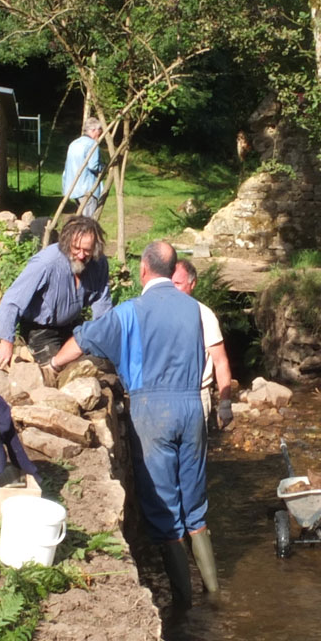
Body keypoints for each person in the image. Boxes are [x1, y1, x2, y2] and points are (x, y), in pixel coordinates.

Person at [48, 241, 217, 603]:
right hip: (192, 409)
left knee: (166, 511)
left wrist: (52, 366)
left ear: (143, 269)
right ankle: (215, 595)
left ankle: (185, 604)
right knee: (195, 506)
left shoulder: (131, 311)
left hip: (152, 410)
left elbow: (84, 339)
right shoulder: (193, 309)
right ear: (174, 272)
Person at [0, 216, 110, 369]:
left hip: (72, 326)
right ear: (66, 243)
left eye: (87, 251)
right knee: (63, 368)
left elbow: (102, 304)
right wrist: (6, 342)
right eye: (76, 248)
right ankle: (26, 353)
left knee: (102, 361)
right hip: (40, 330)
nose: (81, 255)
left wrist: (104, 339)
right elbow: (13, 300)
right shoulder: (46, 263)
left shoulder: (98, 264)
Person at [174, 259, 235, 428]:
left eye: (178, 283)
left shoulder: (205, 316)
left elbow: (221, 362)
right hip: (165, 395)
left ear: (193, 284)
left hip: (197, 395)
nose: (173, 289)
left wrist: (225, 404)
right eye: (170, 283)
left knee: (193, 454)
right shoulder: (156, 311)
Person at [62, 117, 107, 218]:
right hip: (87, 188)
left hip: (73, 187)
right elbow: (93, 166)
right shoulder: (92, 144)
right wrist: (103, 167)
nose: (99, 134)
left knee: (81, 217)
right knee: (88, 220)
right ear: (93, 130)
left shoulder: (74, 143)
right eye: (99, 131)